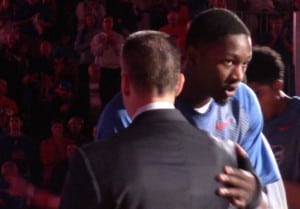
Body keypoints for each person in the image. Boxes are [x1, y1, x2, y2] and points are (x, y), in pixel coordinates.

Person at [95, 8, 287, 209]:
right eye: (229, 62)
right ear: (193, 56)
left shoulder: (244, 103)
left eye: (245, 64)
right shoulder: (128, 112)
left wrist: (255, 198)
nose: (238, 75)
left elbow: (266, 198)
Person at [60, 30, 264, 209]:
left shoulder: (92, 163)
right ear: (179, 85)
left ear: (125, 84)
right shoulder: (227, 157)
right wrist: (255, 194)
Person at [246, 45, 300, 209]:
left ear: (278, 86)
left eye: (257, 94)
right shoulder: (245, 123)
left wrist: (254, 185)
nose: (251, 106)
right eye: (246, 97)